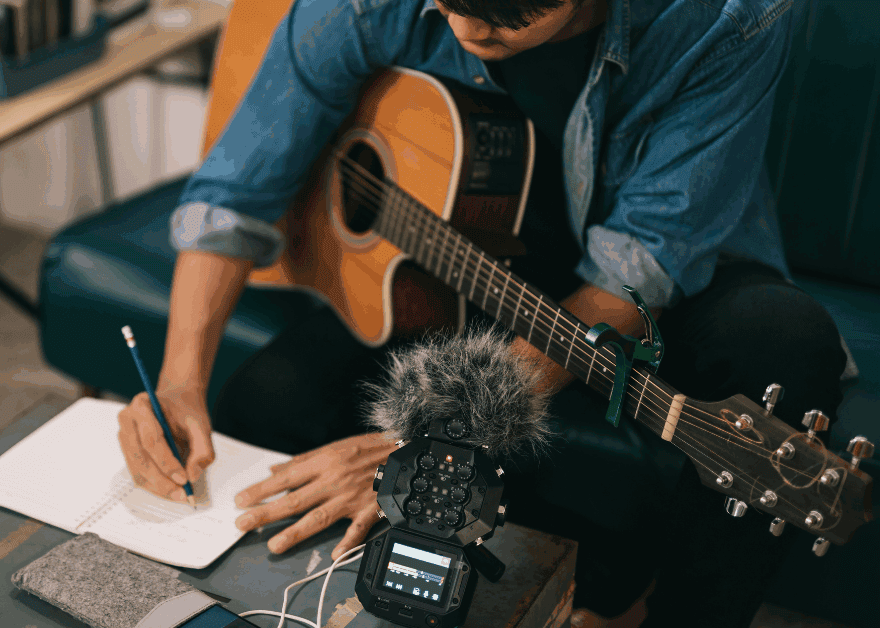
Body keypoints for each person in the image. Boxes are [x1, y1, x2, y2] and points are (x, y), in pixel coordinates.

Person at [117, 0, 849, 625]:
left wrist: (434, 438)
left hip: (648, 275)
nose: (466, 29)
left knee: (783, 342)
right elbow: (235, 193)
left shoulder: (728, 15)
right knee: (262, 404)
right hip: (454, 271)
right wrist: (179, 382)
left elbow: (640, 264)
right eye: (447, 3)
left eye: (504, 16)